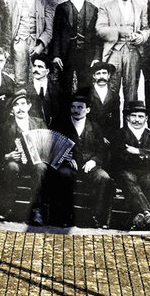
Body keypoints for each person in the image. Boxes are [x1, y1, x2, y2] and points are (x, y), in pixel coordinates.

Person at [48, 88, 114, 228]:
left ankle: (97, 218)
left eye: (80, 107)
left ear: (87, 110)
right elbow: (52, 147)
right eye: (73, 107)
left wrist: (94, 161)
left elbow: (102, 150)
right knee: (63, 175)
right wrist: (65, 157)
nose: (76, 110)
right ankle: (64, 216)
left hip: (90, 166)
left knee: (104, 178)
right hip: (68, 166)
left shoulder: (95, 128)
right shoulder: (61, 126)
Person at [96, 0, 150, 103]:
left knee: (132, 90)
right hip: (113, 51)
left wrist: (141, 37)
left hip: (133, 52)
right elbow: (100, 30)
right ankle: (111, 116)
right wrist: (119, 31)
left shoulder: (140, 7)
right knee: (111, 89)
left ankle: (129, 116)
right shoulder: (106, 7)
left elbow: (146, 28)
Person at [0, 90, 48, 225]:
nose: (20, 108)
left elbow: (47, 145)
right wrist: (7, 156)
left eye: (23, 104)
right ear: (12, 109)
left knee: (42, 167)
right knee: (11, 167)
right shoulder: (5, 126)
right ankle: (8, 208)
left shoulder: (39, 123)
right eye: (16, 105)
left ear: (29, 106)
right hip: (15, 162)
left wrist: (41, 154)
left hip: (34, 163)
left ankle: (36, 211)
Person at [50, 0, 102, 95]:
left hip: (86, 55)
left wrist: (96, 57)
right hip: (66, 55)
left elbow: (97, 36)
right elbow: (56, 34)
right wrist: (56, 55)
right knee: (64, 88)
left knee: (85, 88)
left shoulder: (93, 9)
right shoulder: (61, 8)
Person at [112, 101, 150, 231]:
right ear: (127, 117)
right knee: (128, 178)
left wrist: (137, 151)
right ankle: (146, 213)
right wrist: (146, 156)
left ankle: (139, 218)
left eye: (140, 116)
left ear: (146, 118)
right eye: (133, 116)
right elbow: (118, 155)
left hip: (146, 171)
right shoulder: (119, 134)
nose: (137, 120)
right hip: (125, 170)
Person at [9, 0, 54, 84]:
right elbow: (8, 24)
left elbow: (49, 29)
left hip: (36, 42)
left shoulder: (44, 1)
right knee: (20, 77)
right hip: (19, 42)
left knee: (38, 76)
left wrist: (41, 45)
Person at [86, 62, 121, 138]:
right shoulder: (87, 93)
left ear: (108, 75)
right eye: (98, 73)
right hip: (90, 135)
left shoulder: (114, 95)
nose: (101, 76)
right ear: (94, 76)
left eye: (104, 73)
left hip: (108, 135)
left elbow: (116, 120)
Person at [27, 53, 61, 126]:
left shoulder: (55, 88)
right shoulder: (26, 89)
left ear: (47, 71)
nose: (36, 69)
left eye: (40, 67)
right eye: (34, 66)